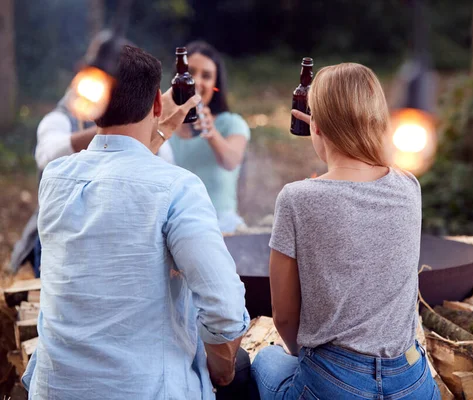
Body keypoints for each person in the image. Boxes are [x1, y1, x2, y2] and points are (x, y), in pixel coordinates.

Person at [22, 45, 250, 400]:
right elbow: (224, 308)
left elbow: (118, 164)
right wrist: (222, 367)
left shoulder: (55, 178)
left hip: (56, 389)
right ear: (157, 106)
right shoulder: (178, 187)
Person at [251, 63, 440, 399]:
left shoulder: (298, 199)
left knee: (265, 359)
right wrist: (331, 133)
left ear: (317, 126)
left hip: (335, 383)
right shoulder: (409, 187)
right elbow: (370, 168)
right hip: (410, 381)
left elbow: (283, 317)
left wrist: (323, 136)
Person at [10, 32, 173, 277]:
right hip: (62, 240)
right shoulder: (60, 119)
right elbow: (48, 154)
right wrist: (116, 127)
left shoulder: (148, 124)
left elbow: (166, 164)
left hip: (121, 235)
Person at [167, 41, 250, 234]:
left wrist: (211, 134)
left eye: (206, 76)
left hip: (223, 228)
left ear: (215, 85)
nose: (197, 81)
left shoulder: (231, 123)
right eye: (191, 72)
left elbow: (231, 161)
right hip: (176, 228)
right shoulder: (162, 126)